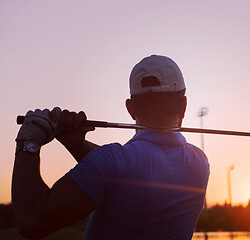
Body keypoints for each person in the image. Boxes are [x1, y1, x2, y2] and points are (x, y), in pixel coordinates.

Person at [12, 55, 210, 239]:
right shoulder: (200, 163)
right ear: (183, 105)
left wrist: (28, 141)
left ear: (130, 108)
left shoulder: (113, 161)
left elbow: (31, 221)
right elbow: (123, 173)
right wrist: (75, 143)